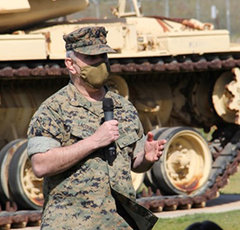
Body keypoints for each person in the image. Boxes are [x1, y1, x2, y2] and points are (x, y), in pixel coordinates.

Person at [27, 26, 166, 230]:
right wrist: (94, 142)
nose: (101, 63)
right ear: (71, 64)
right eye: (92, 59)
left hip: (120, 224)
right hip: (71, 224)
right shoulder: (52, 110)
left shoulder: (123, 107)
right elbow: (41, 165)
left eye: (104, 57)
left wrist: (146, 158)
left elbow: (134, 163)